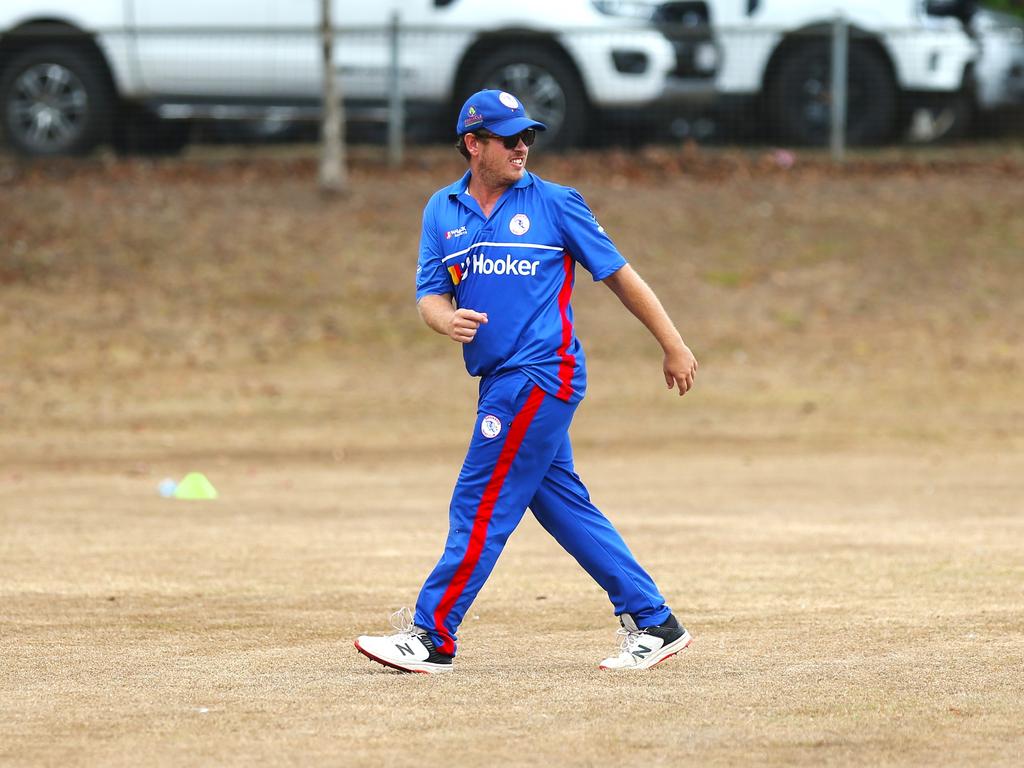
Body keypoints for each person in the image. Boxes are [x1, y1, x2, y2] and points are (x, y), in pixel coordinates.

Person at [354, 90, 698, 674]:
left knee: (479, 499)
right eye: (508, 138)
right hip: (497, 380)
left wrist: (673, 343)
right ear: (473, 144)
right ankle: (655, 622)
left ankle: (432, 635)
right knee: (561, 503)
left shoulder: (558, 204)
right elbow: (430, 295)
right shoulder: (442, 209)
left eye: (527, 137)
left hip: (542, 372)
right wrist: (446, 320)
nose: (522, 147)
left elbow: (621, 277)